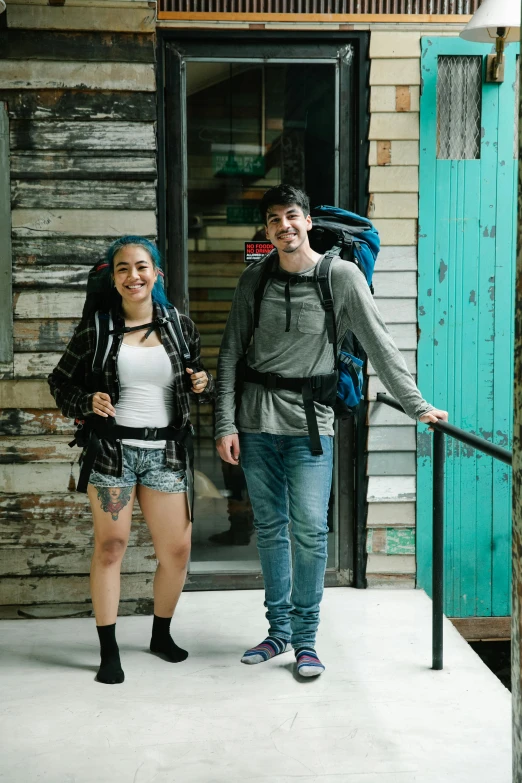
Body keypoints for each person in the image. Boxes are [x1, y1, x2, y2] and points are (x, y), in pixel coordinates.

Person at [215, 184, 448, 678]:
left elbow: (379, 343)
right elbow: (231, 353)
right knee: (272, 530)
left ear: (307, 221)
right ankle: (276, 631)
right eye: (274, 218)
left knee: (311, 532)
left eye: (292, 215)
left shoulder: (339, 277)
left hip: (309, 427)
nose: (284, 225)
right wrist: (225, 423)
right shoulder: (253, 280)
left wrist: (416, 405)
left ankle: (305, 639)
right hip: (255, 425)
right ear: (267, 228)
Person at [48, 236, 214, 685]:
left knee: (176, 551)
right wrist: (87, 399)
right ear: (113, 277)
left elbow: (199, 378)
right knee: (111, 547)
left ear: (156, 274)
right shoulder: (98, 329)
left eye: (141, 267)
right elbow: (60, 383)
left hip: (166, 452)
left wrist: (203, 382)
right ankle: (108, 650)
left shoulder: (179, 326)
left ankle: (161, 635)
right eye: (123, 268)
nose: (133, 275)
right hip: (112, 452)